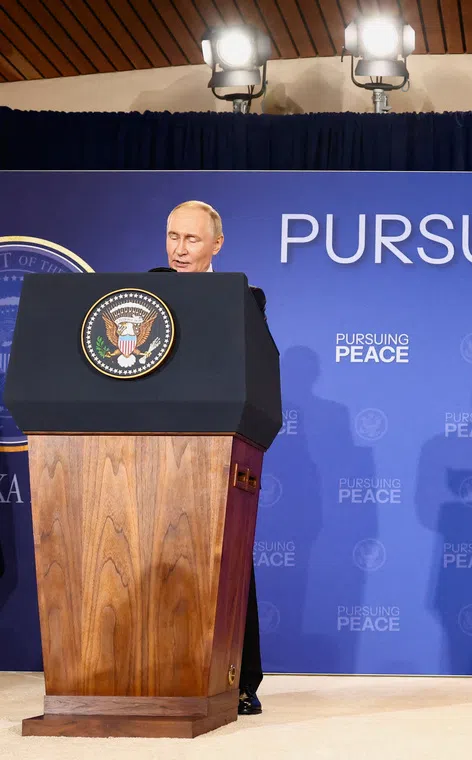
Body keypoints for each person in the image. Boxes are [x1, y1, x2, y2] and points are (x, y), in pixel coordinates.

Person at [156, 200, 266, 716]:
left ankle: (240, 679)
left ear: (216, 245)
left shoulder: (244, 298)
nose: (179, 249)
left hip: (218, 449)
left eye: (191, 240)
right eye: (173, 237)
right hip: (150, 447)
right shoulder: (142, 293)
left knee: (227, 560)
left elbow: (255, 374)